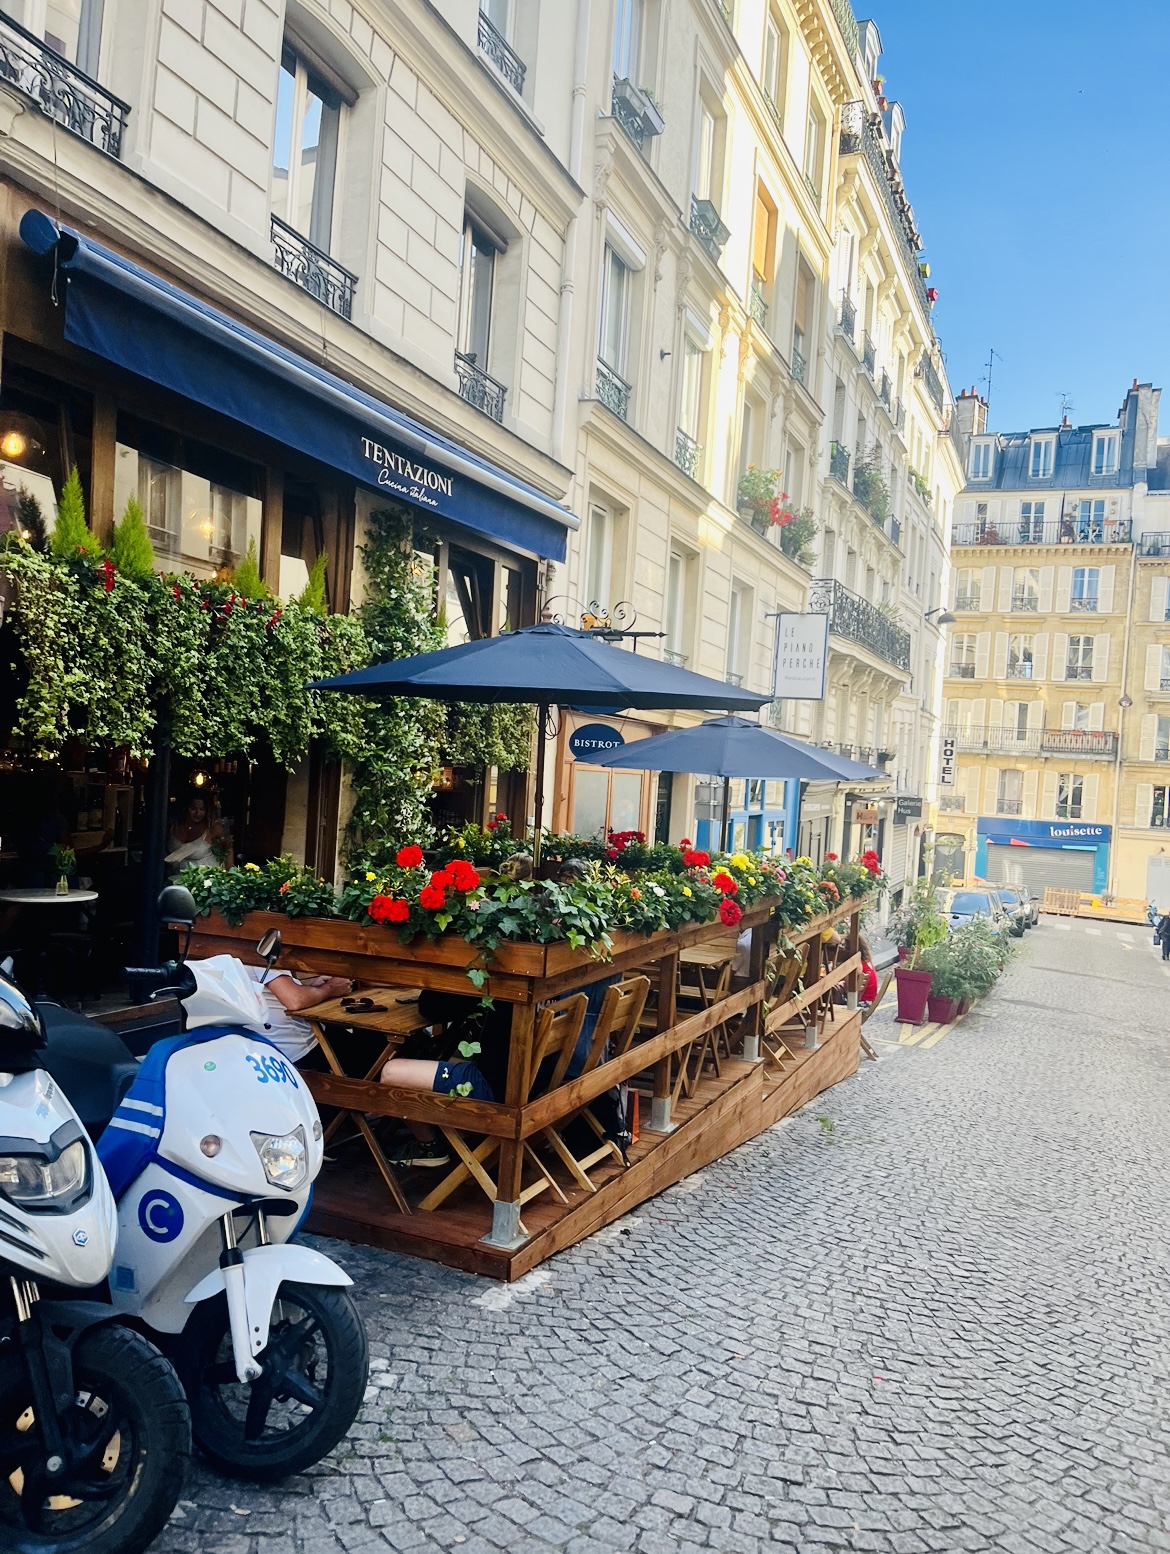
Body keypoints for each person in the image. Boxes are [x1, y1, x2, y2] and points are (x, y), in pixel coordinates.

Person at [241, 963, 354, 1062]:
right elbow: (294, 1000)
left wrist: (314, 989)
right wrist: (330, 988)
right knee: (361, 1045)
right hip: (301, 1047)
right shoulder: (261, 953)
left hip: (260, 1051)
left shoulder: (236, 953)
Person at [165, 790, 232, 875]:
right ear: (185, 808)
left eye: (202, 809)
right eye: (193, 809)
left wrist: (230, 876)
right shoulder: (173, 825)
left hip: (205, 879)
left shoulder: (213, 828)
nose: (198, 813)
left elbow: (228, 850)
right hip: (173, 878)